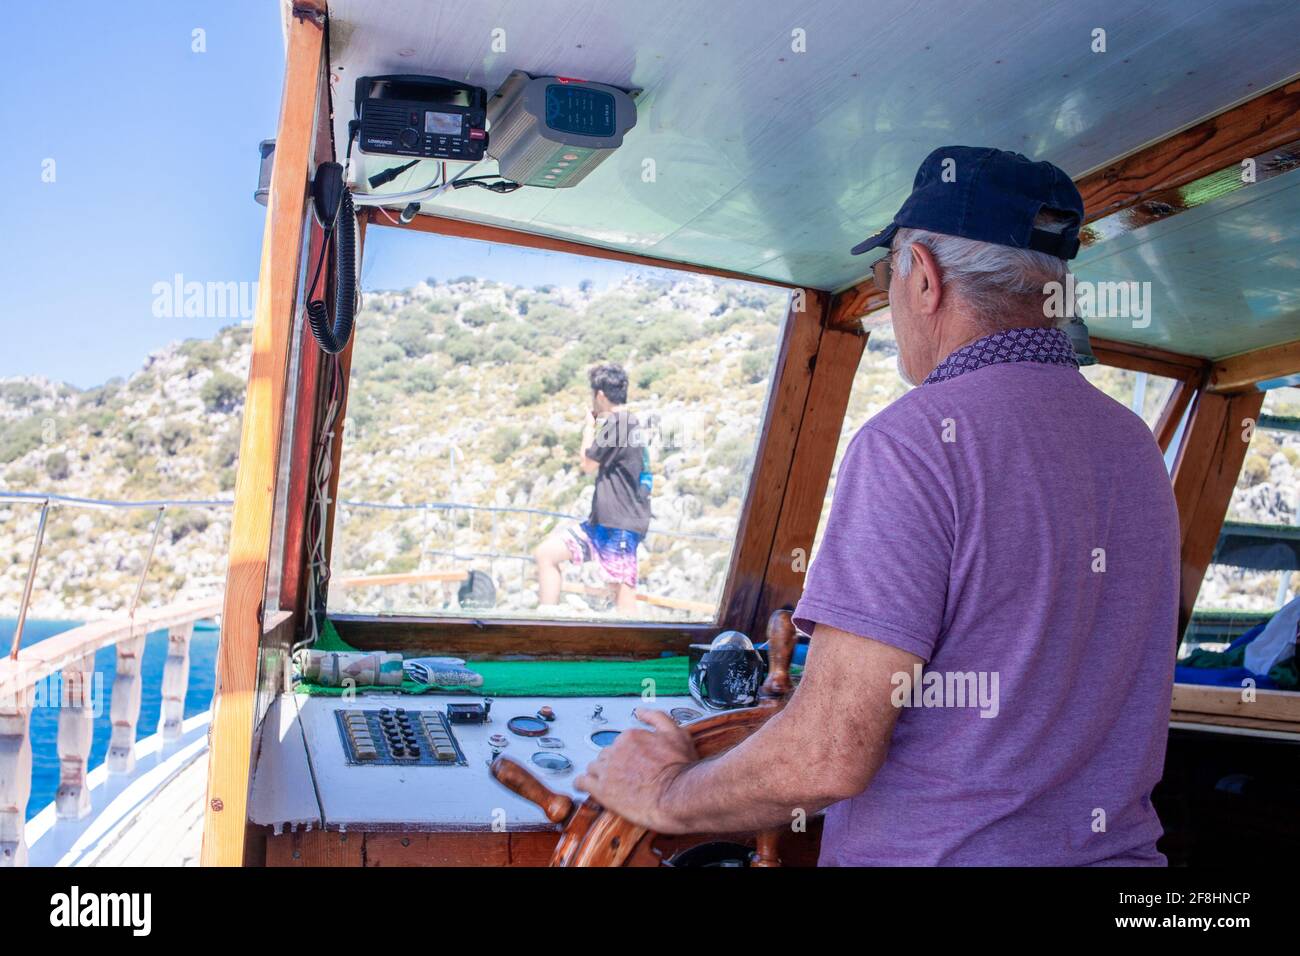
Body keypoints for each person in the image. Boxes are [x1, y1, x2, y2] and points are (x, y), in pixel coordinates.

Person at [574, 146, 1180, 865]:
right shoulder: (1134, 444)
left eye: (883, 274)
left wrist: (664, 794)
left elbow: (828, 757)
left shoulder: (918, 440)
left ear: (921, 276)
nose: (887, 298)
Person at [533, 363, 652, 615]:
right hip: (602, 523)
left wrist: (589, 425)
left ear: (599, 395)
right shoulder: (628, 423)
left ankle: (629, 649)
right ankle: (547, 619)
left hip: (617, 525)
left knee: (622, 593)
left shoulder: (619, 423)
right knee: (547, 554)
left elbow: (587, 463)